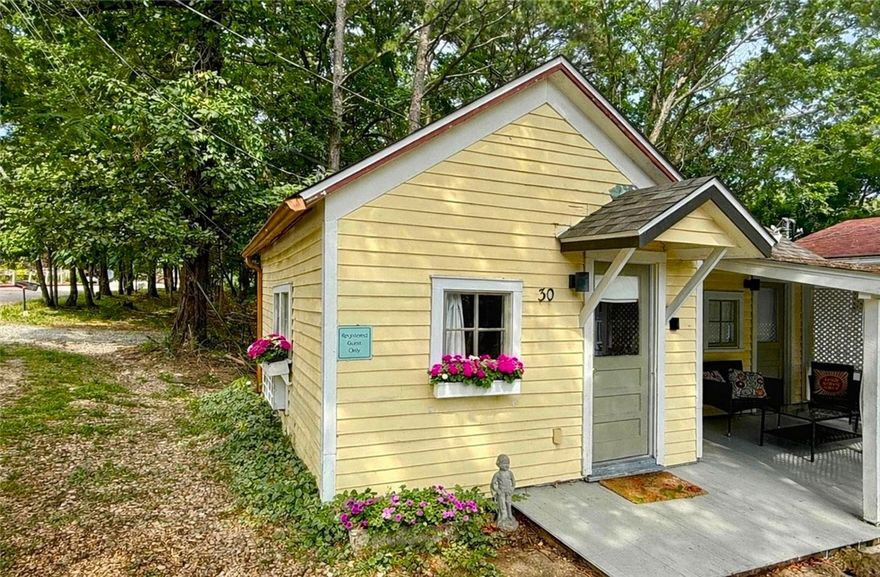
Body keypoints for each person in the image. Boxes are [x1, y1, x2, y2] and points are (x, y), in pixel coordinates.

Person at [491, 454, 518, 531]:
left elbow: (513, 481)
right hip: (501, 492)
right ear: (499, 464)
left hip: (508, 492)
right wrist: (497, 490)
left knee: (508, 503)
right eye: (504, 464)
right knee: (502, 504)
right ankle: (503, 518)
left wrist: (512, 488)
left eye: (507, 463)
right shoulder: (497, 474)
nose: (506, 465)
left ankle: (509, 516)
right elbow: (493, 484)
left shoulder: (510, 473)